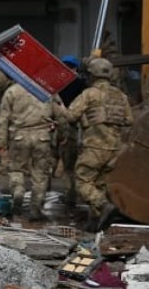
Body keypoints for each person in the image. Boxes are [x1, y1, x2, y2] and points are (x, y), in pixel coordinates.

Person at [57, 57, 133, 231]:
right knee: (99, 184)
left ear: (92, 75)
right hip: (115, 149)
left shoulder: (90, 94)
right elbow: (129, 119)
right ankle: (95, 223)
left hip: (94, 147)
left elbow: (71, 116)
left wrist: (60, 107)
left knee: (82, 180)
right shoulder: (120, 96)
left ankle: (104, 205)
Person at [0, 81, 62, 221]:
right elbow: (61, 115)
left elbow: (3, 118)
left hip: (19, 137)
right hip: (42, 137)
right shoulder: (48, 90)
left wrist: (0, 142)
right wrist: (61, 135)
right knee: (40, 175)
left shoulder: (12, 91)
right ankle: (35, 209)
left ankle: (18, 191)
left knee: (17, 170)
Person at [57, 55, 84, 207]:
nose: (68, 70)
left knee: (68, 165)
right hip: (68, 126)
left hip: (66, 126)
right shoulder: (82, 85)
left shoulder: (57, 84)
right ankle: (69, 196)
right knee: (67, 165)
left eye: (70, 67)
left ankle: (70, 197)